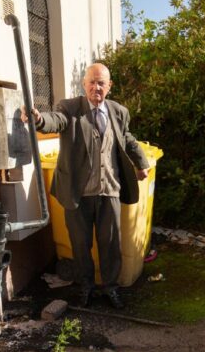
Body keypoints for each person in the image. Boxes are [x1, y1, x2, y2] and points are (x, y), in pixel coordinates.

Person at [22, 63, 149, 308]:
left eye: (101, 83)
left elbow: (127, 138)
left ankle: (111, 288)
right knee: (80, 245)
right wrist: (39, 120)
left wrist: (141, 162)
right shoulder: (70, 108)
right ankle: (86, 288)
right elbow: (55, 121)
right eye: (91, 82)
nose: (96, 87)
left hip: (109, 190)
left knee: (110, 244)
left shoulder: (119, 112)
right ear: (84, 84)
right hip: (77, 193)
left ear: (109, 86)